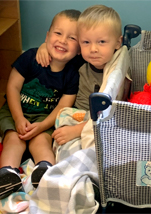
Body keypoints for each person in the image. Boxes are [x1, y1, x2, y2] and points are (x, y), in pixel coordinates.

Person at [0, 9, 82, 199]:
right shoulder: (31, 58)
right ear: (47, 36)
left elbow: (62, 107)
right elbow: (13, 88)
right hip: (15, 110)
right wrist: (18, 118)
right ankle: (7, 173)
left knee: (41, 142)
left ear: (80, 48)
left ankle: (46, 172)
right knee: (13, 139)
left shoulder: (73, 74)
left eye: (72, 38)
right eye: (58, 33)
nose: (63, 40)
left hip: (45, 118)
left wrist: (42, 125)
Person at [36, 5, 124, 145]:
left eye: (101, 42)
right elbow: (62, 50)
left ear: (118, 42)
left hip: (97, 120)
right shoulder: (81, 59)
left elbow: (115, 115)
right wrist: (43, 46)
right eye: (86, 42)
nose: (93, 49)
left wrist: (77, 130)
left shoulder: (118, 70)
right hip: (76, 114)